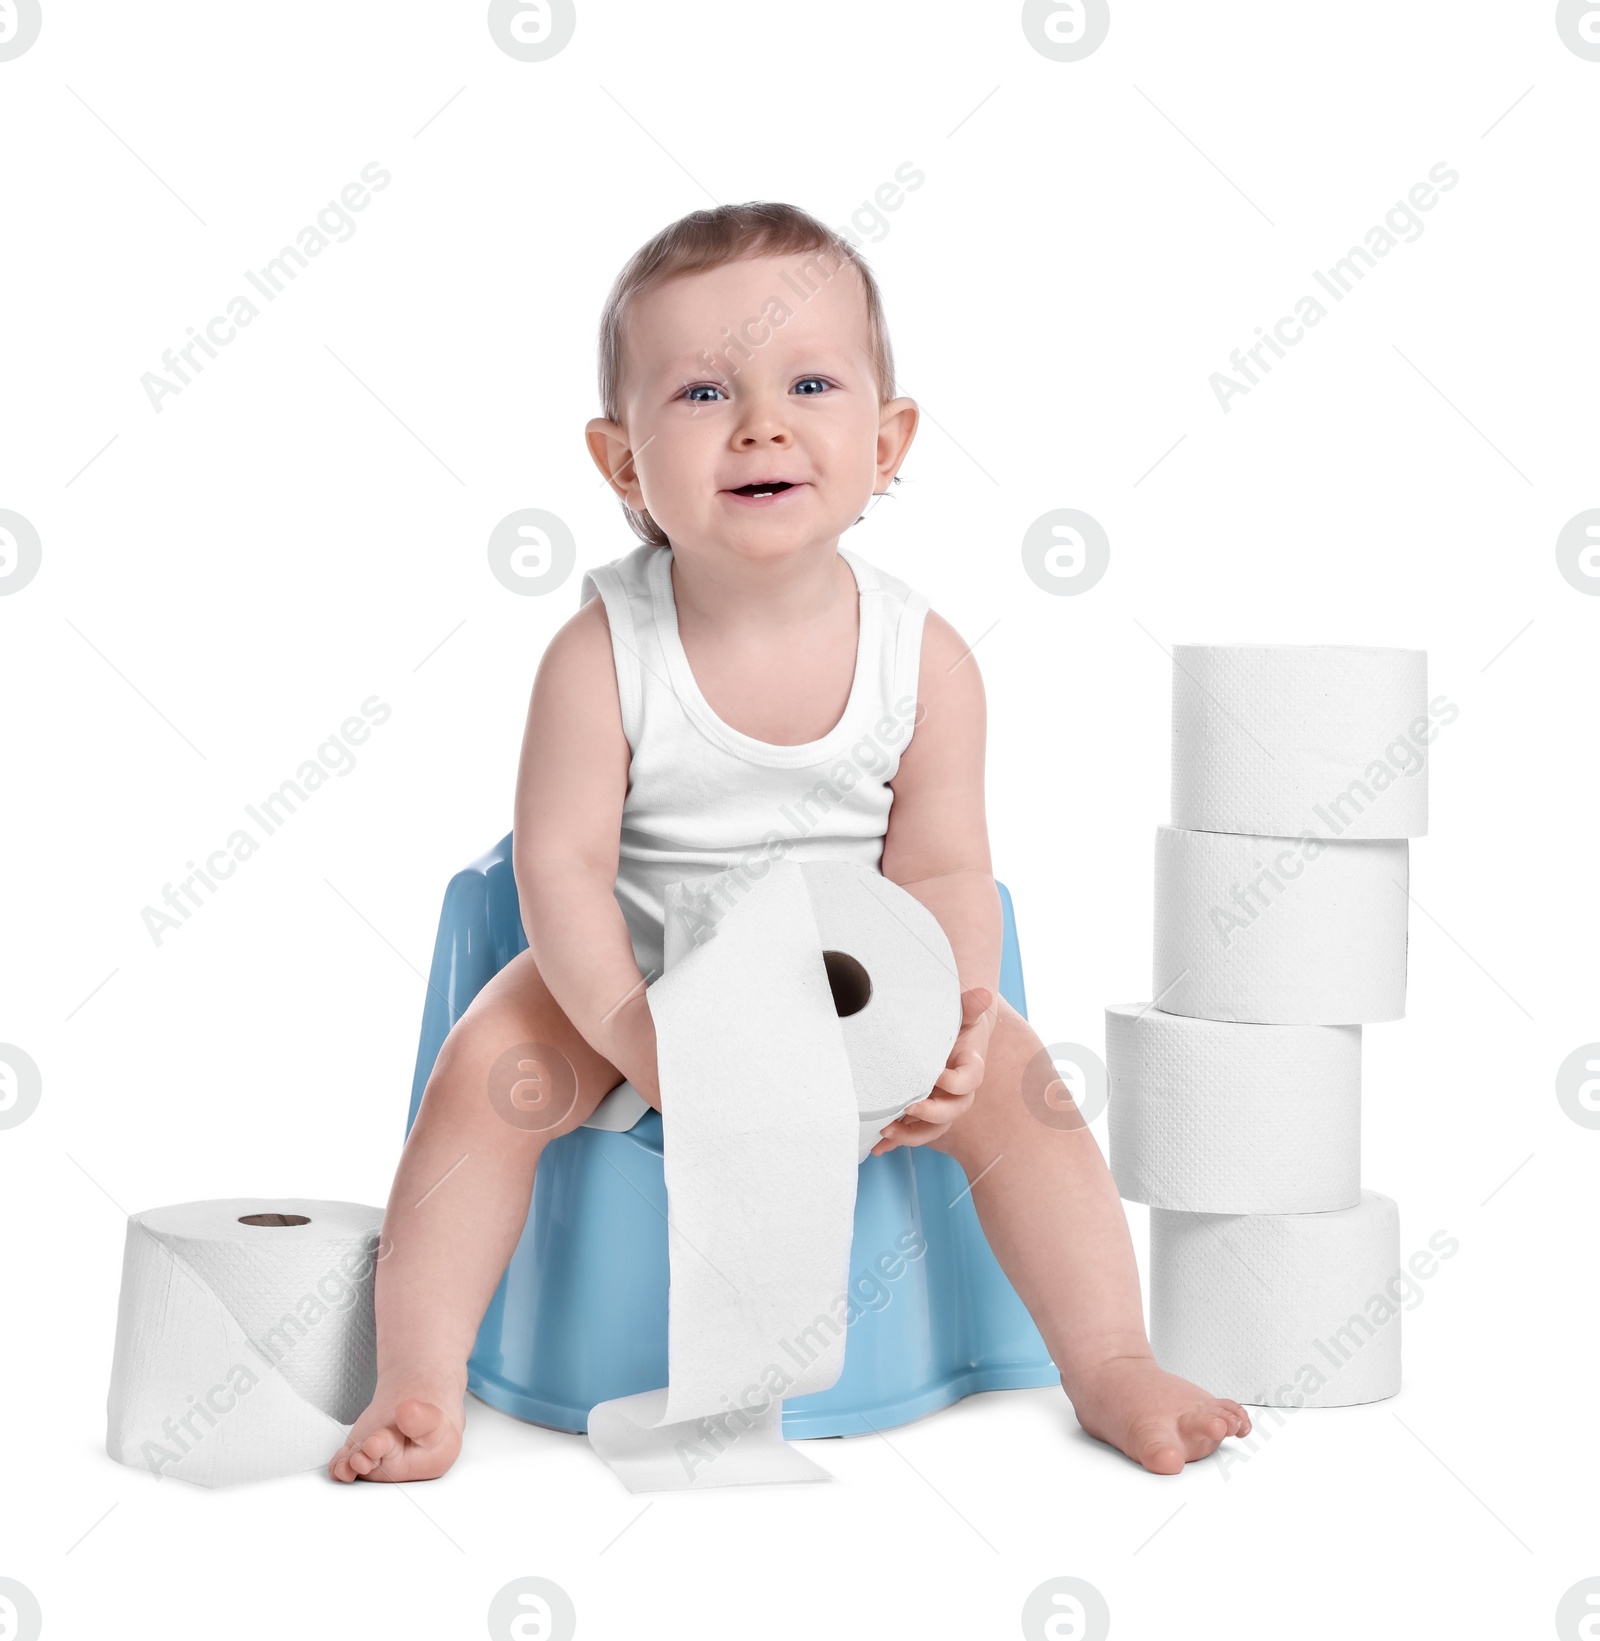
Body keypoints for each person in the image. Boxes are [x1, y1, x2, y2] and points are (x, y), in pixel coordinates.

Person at [330, 201, 1251, 1484]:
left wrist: (958, 1019)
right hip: (638, 954)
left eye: (808, 382)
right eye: (703, 391)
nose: (761, 419)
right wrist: (634, 1032)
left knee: (1027, 1095)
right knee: (485, 1080)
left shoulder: (922, 656)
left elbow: (939, 868)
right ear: (619, 461)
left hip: (842, 978)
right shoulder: (600, 654)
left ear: (885, 442)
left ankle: (1109, 1359)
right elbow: (559, 871)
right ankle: (422, 1379)